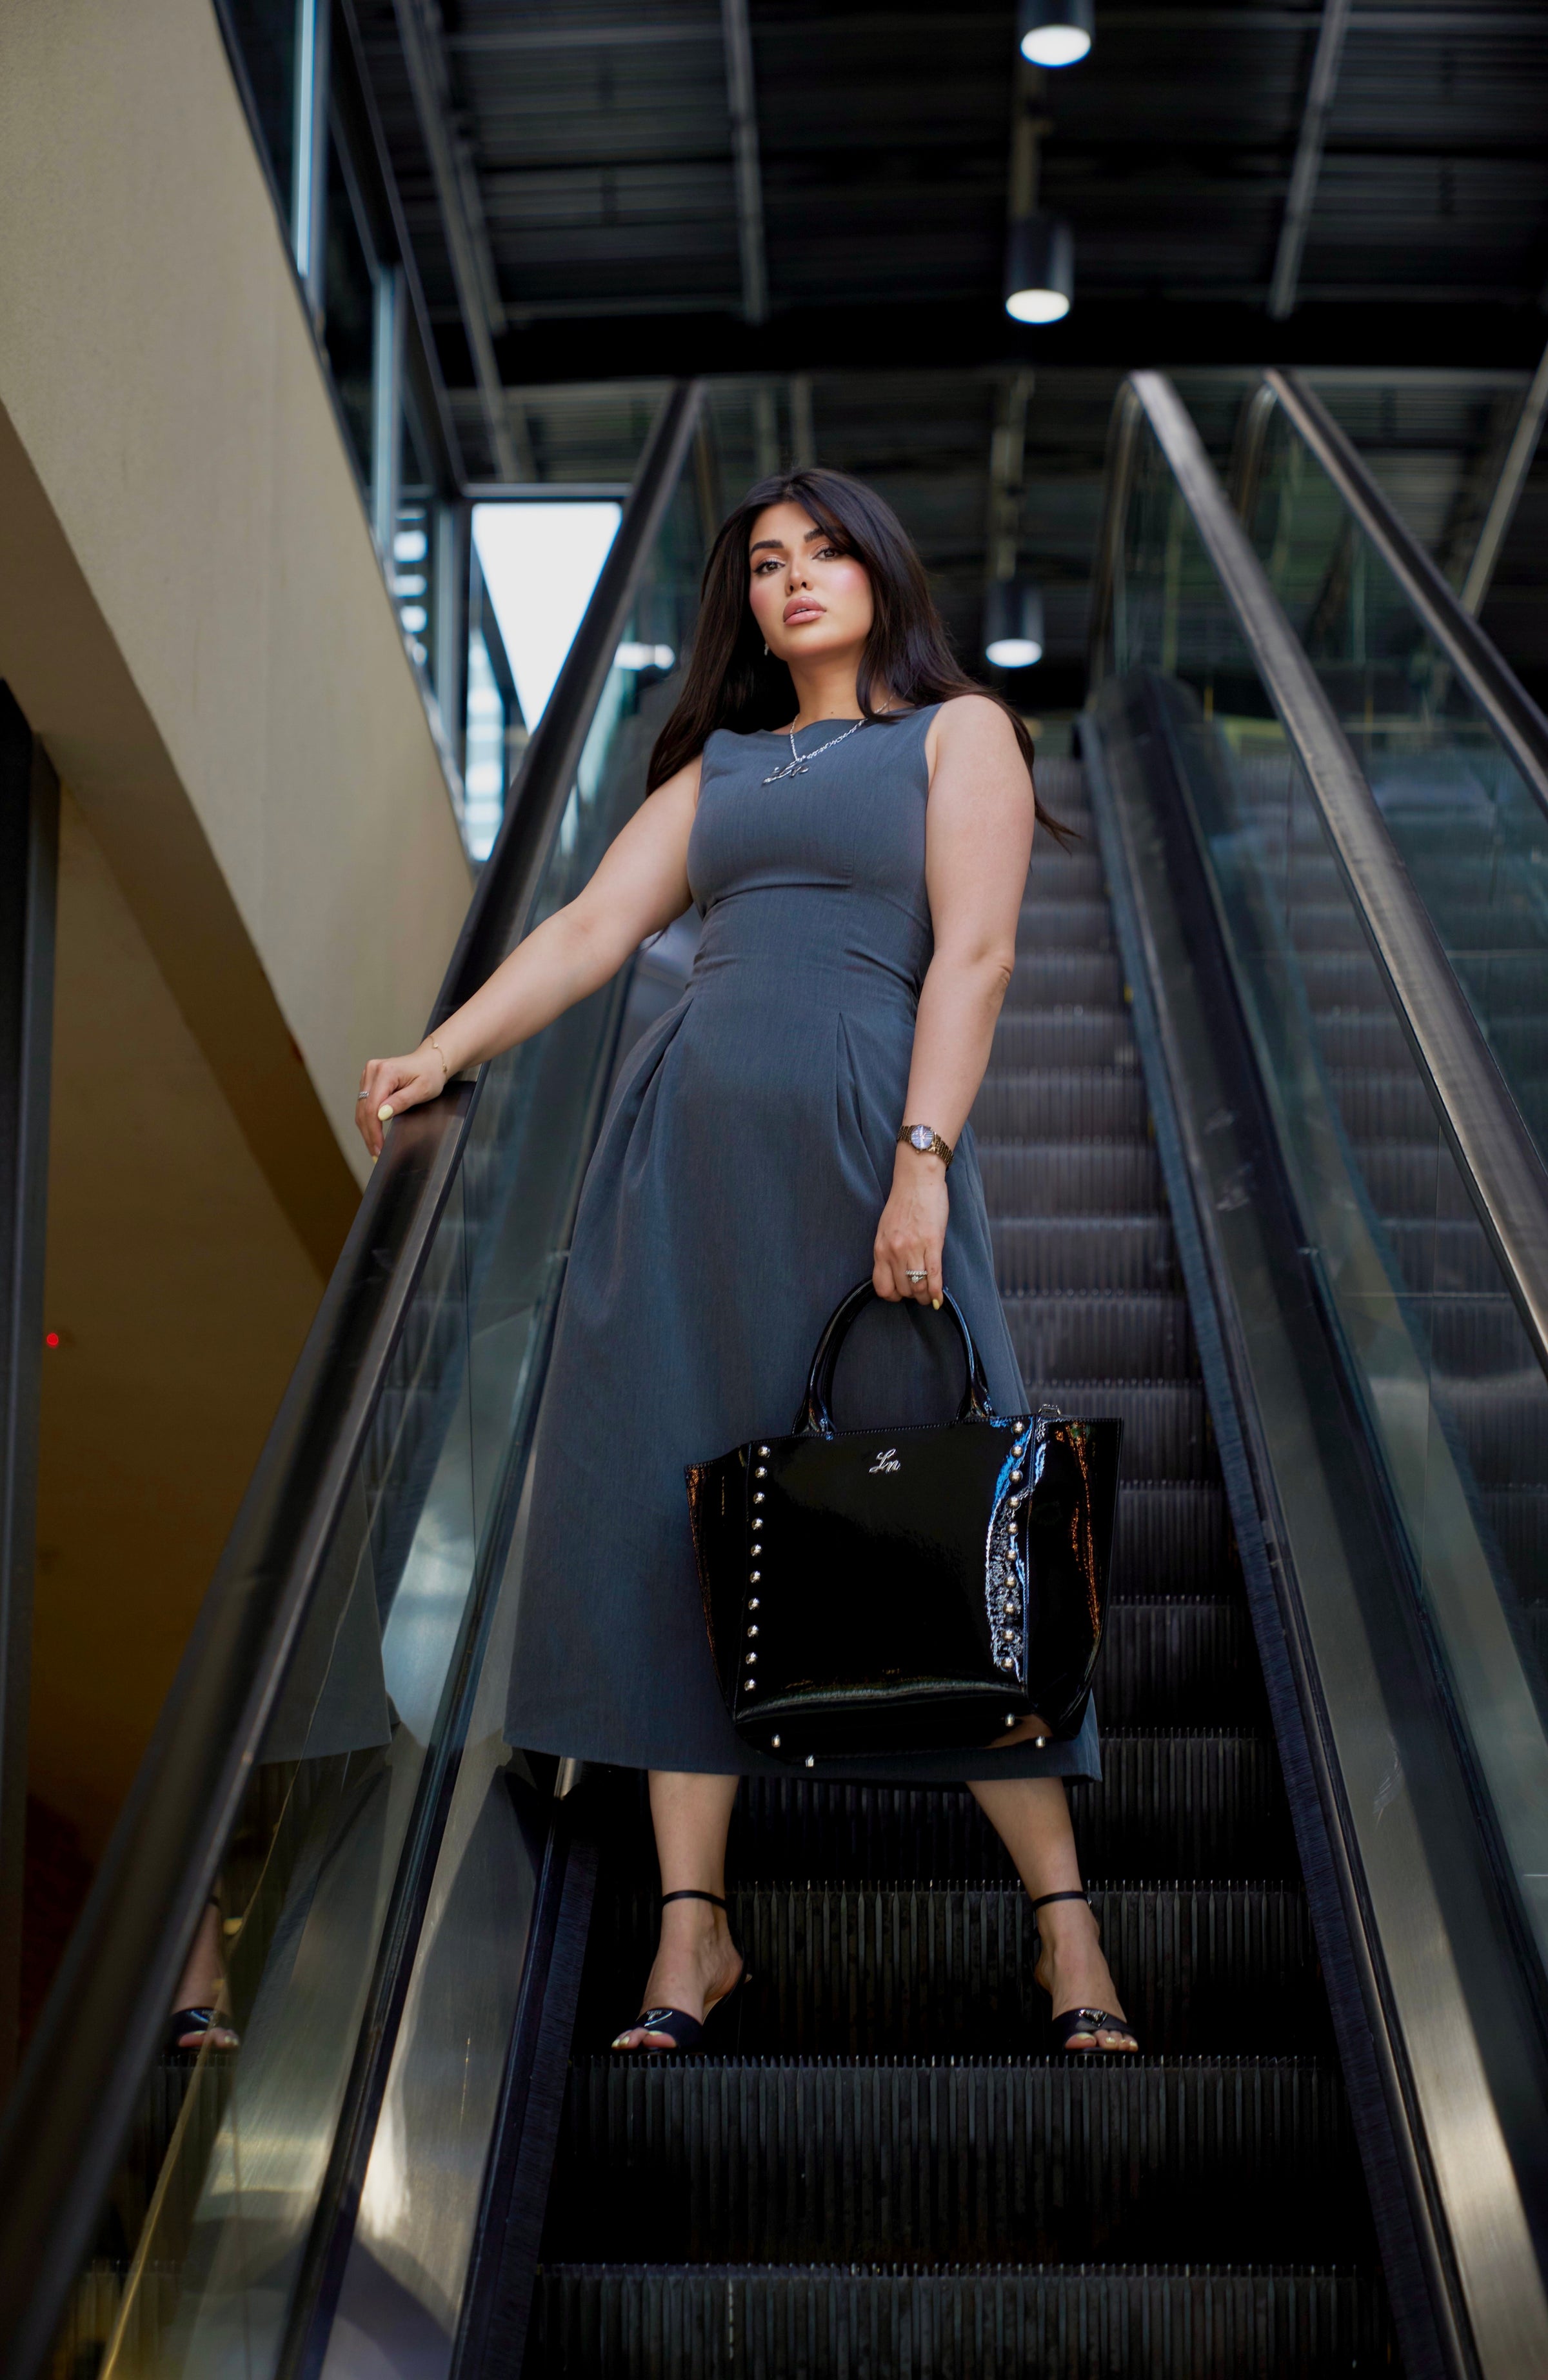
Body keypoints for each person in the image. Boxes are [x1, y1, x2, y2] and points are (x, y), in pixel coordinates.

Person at [356, 469, 1136, 2057]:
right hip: (677, 1177)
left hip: (865, 1158)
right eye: (768, 562)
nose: (795, 579)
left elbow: (975, 954)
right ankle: (689, 1940)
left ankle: (1072, 1939)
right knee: (673, 1524)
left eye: (828, 549)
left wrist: (921, 1164)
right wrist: (436, 1053)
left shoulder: (959, 734)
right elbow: (588, 932)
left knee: (956, 1525)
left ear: (882, 569)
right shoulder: (719, 771)